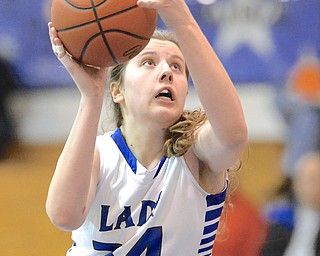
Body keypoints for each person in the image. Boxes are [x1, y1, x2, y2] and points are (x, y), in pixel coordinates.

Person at [46, 0, 248, 254]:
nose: (166, 72)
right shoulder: (98, 154)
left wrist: (179, 16)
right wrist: (91, 97)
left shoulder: (196, 155)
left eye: (177, 66)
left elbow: (234, 136)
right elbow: (64, 216)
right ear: (118, 90)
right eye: (149, 62)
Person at [261, 151, 320, 256]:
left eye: (317, 180)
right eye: (310, 180)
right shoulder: (279, 219)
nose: (314, 187)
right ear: (295, 184)